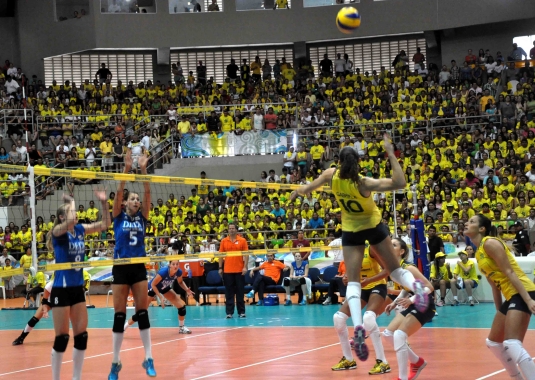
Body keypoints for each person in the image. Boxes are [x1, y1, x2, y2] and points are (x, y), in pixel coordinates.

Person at [290, 133, 430, 362]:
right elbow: (400, 183)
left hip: (351, 230)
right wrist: (391, 153)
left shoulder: (331, 175)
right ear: (358, 162)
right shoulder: (364, 182)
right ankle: (420, 290)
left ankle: (357, 326)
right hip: (373, 226)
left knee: (353, 282)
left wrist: (299, 191)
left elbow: (309, 187)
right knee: (395, 271)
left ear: (339, 161)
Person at [49, 191, 111, 380]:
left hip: (77, 289)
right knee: (62, 338)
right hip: (61, 288)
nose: (75, 214)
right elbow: (68, 224)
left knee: (81, 336)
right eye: (70, 211)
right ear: (62, 216)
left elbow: (105, 224)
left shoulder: (81, 230)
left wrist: (104, 203)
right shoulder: (58, 233)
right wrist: (72, 201)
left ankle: (76, 378)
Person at [464, 215, 535, 379]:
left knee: (511, 343)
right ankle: (516, 377)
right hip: (511, 296)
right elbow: (494, 285)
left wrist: (529, 299)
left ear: (482, 229)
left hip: (523, 291)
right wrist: (499, 312)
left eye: (472, 222)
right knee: (493, 342)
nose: (467, 223)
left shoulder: (490, 243)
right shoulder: (479, 252)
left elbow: (509, 271)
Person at [109, 150, 155, 380]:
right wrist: (127, 170)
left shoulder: (142, 217)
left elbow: (147, 191)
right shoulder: (118, 216)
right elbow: (119, 192)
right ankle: (115, 362)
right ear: (126, 202)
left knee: (142, 311)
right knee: (119, 315)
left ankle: (148, 358)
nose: (136, 201)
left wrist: (144, 169)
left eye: (137, 199)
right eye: (133, 198)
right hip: (120, 266)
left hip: (138, 266)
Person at [332, 245, 391, 375]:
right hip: (359, 288)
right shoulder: (350, 249)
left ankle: (383, 362)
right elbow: (350, 270)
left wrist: (369, 280)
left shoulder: (371, 248)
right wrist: (346, 277)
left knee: (369, 318)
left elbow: (387, 270)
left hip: (377, 285)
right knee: (338, 318)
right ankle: (348, 359)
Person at [383, 238, 435, 380]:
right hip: (412, 303)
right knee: (388, 334)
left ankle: (402, 378)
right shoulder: (395, 269)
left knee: (399, 335)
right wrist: (396, 302)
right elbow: (408, 287)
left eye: (394, 245)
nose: (390, 247)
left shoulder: (409, 268)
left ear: (401, 251)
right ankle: (417, 362)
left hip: (424, 305)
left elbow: (429, 287)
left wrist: (410, 300)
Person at [124, 260, 194, 334]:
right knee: (141, 313)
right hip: (152, 288)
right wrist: (160, 297)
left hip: (164, 287)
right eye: (173, 264)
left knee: (181, 307)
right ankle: (123, 328)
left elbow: (180, 282)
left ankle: (181, 328)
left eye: (177, 264)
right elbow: (153, 285)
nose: (175, 266)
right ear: (169, 265)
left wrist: (187, 290)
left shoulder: (179, 272)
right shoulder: (163, 272)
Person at [219, 222, 248, 318]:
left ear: (236, 230)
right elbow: (220, 255)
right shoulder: (224, 241)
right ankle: (229, 312)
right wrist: (220, 268)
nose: (231, 230)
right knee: (229, 293)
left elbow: (246, 254)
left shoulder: (242, 240)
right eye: (230, 228)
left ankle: (241, 312)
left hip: (239, 270)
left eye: (233, 228)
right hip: (227, 271)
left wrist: (245, 266)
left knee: (240, 292)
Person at [13, 279, 53, 345]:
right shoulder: (50, 285)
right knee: (35, 318)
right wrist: (45, 310)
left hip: (62, 303)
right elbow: (44, 301)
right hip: (49, 302)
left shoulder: (69, 285)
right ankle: (21, 338)